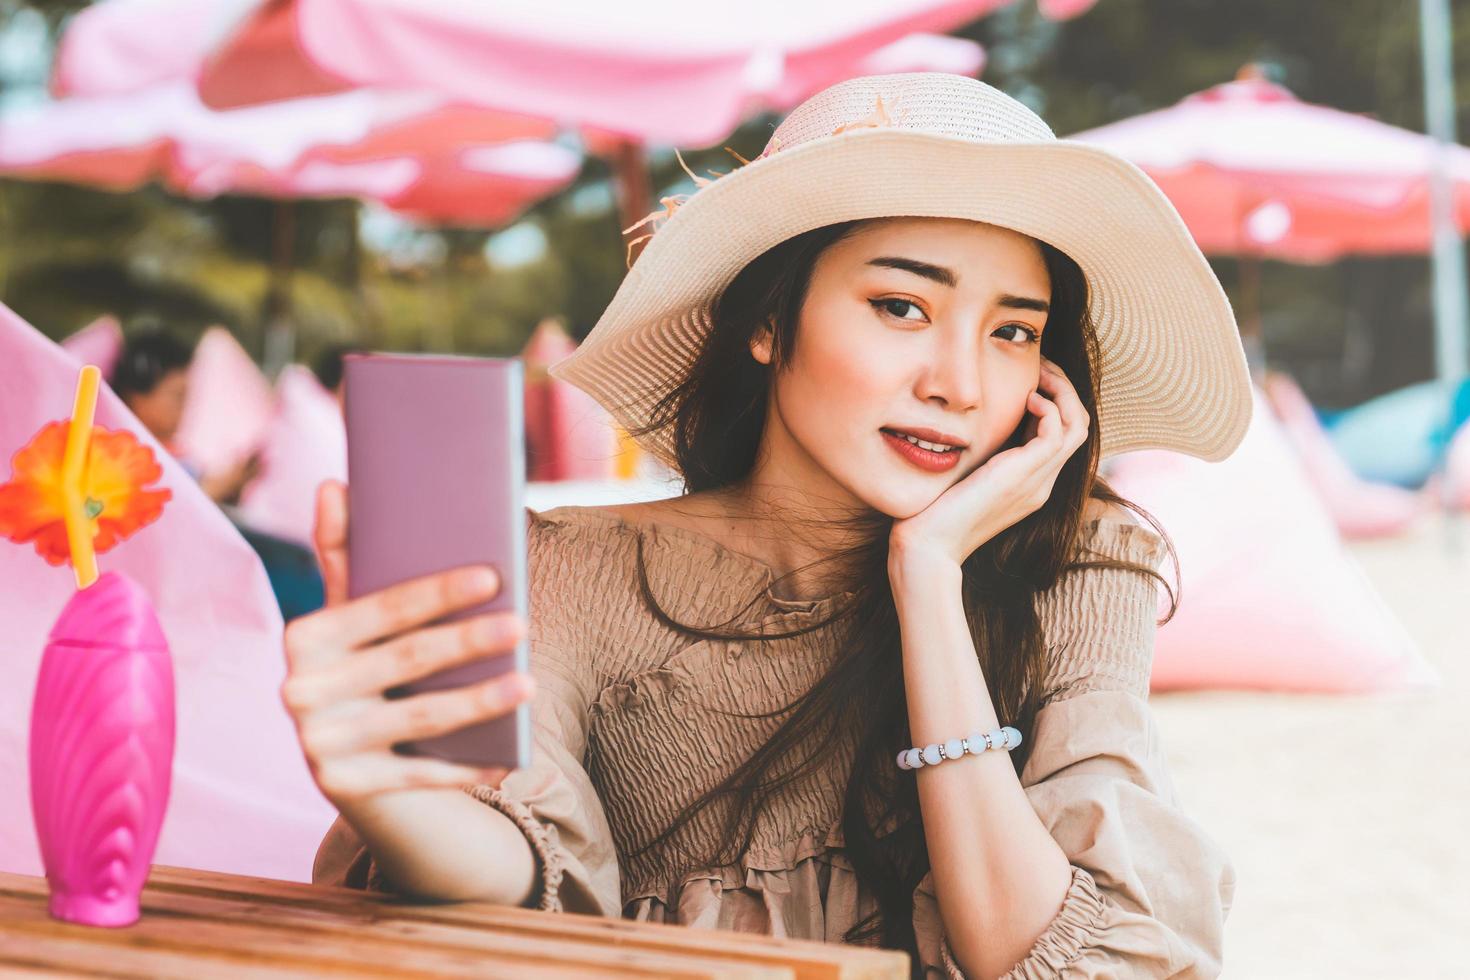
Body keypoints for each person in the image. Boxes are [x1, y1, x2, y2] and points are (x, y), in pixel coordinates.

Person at [287, 73, 1250, 979]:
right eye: (901, 306)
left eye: (1013, 331)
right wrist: (392, 798)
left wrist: (927, 579)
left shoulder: (1077, 565)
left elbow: (1054, 958)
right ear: (767, 324)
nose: (959, 384)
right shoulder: (574, 570)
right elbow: (520, 874)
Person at [110, 325, 261, 505]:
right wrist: (214, 490)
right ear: (137, 396)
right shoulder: (118, 455)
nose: (184, 407)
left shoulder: (180, 455)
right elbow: (166, 511)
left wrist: (233, 483)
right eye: (177, 396)